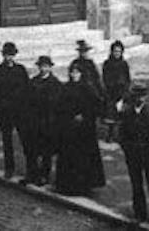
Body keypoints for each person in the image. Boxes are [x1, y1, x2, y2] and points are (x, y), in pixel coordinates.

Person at [51, 62, 107, 196]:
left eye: (77, 72)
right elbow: (58, 107)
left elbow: (96, 106)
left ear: (81, 74)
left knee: (83, 158)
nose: (74, 75)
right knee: (68, 157)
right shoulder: (65, 88)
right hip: (69, 128)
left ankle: (84, 186)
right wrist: (68, 117)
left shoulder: (87, 88)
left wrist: (85, 116)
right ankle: (67, 185)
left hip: (84, 130)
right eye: (72, 72)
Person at [118, 82, 149, 230]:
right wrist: (127, 150)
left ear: (146, 97)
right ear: (133, 97)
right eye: (137, 96)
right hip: (134, 156)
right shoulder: (127, 113)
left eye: (143, 95)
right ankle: (140, 215)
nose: (140, 99)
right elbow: (122, 136)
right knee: (137, 186)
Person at [0, 41, 29, 179]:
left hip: (20, 112)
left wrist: (23, 105)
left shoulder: (20, 70)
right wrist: (0, 104)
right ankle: (9, 168)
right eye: (6, 55)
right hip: (5, 112)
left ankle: (30, 169)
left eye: (11, 55)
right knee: (7, 141)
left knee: (25, 140)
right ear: (3, 56)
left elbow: (27, 88)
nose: (9, 58)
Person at [20, 54, 61, 186]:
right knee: (32, 150)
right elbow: (26, 101)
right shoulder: (33, 82)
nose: (43, 69)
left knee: (46, 152)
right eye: (41, 66)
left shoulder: (55, 84)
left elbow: (58, 104)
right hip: (34, 122)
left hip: (48, 122)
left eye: (46, 67)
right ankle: (31, 174)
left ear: (50, 68)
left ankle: (44, 175)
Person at [100, 39, 132, 137]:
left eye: (119, 51)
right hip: (110, 92)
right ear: (111, 51)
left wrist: (125, 92)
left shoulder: (124, 64)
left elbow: (127, 78)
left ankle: (121, 135)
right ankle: (110, 134)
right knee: (111, 115)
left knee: (122, 115)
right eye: (115, 51)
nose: (117, 53)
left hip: (121, 92)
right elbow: (105, 78)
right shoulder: (107, 63)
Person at [67, 38, 104, 111]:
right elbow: (72, 79)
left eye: (86, 51)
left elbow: (97, 79)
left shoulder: (91, 63)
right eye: (82, 51)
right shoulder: (75, 63)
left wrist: (100, 92)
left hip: (92, 92)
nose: (84, 53)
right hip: (80, 92)